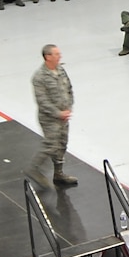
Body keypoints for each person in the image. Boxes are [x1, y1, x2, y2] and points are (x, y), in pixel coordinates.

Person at [26, 44, 76, 188]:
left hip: (64, 117)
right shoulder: (39, 77)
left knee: (62, 144)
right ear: (48, 57)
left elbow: (69, 89)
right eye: (56, 54)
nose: (60, 56)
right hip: (49, 118)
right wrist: (58, 113)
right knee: (51, 144)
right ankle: (33, 169)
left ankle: (59, 174)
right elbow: (42, 101)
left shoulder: (61, 70)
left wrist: (68, 107)